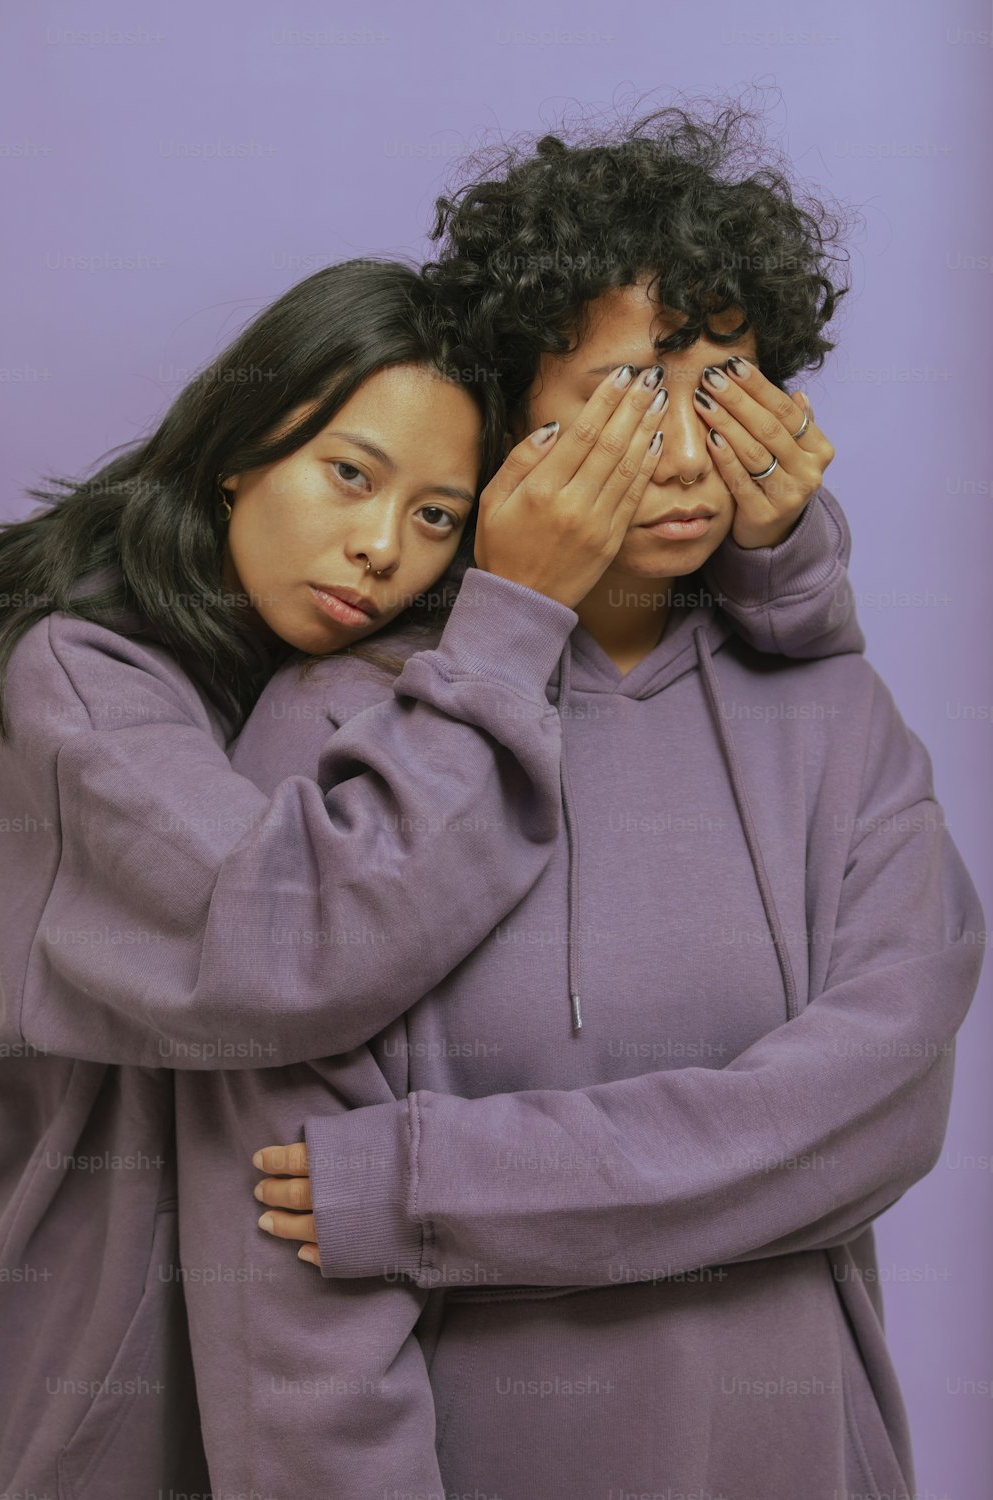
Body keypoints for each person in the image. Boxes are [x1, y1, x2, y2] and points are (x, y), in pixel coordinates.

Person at [240, 107, 984, 1499]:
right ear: (515, 401)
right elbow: (285, 1257)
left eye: (733, 383)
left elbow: (864, 1126)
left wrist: (425, 1187)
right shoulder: (339, 724)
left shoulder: (839, 716)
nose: (694, 457)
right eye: (635, 394)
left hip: (801, 1452)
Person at [0, 256, 699, 1497]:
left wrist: (788, 540)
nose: (378, 548)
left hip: (283, 1374)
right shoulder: (74, 677)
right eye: (348, 475)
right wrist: (510, 616)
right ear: (238, 452)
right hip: (89, 1392)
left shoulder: (325, 676)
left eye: (436, 516)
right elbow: (286, 946)